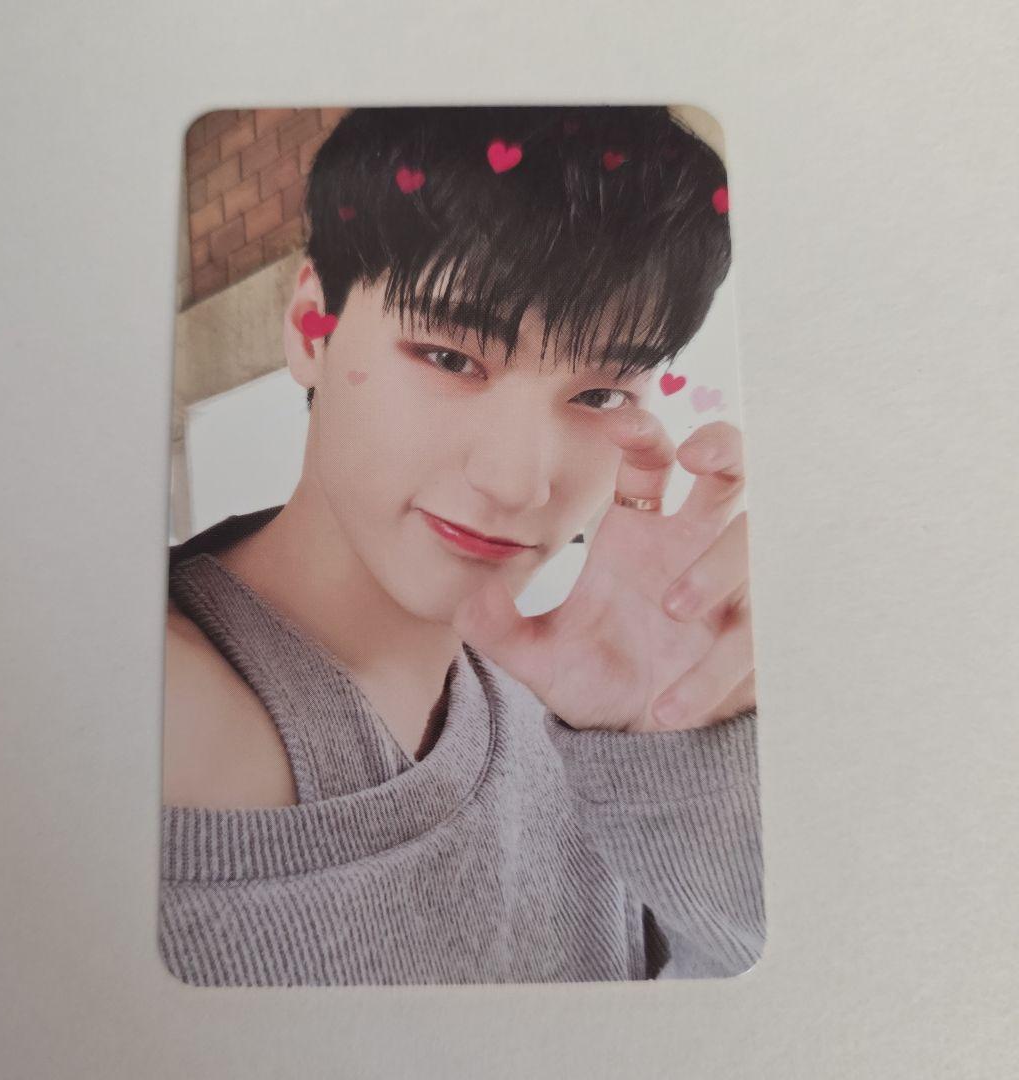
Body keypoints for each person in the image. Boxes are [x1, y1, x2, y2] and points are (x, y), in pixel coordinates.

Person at [160, 105, 763, 986]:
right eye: (449, 358)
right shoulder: (150, 707)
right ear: (311, 327)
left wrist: (681, 763)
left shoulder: (586, 710)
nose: (518, 483)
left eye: (599, 396)